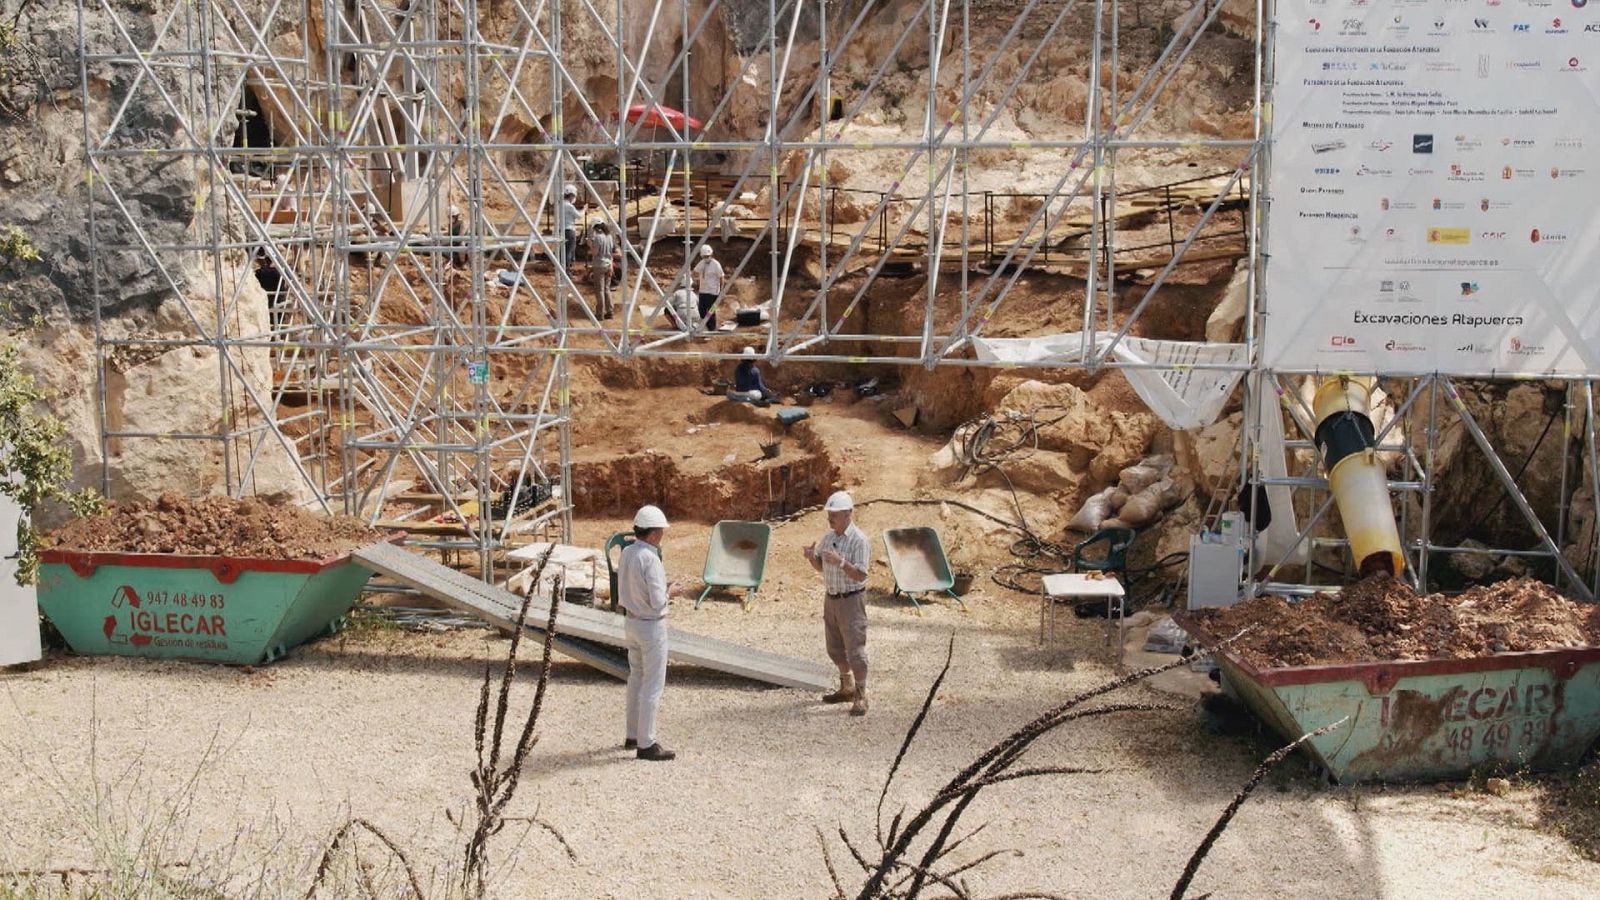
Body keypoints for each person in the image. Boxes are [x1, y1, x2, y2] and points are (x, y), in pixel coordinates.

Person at [803, 491, 871, 716]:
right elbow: (822, 567)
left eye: (834, 514)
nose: (830, 518)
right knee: (834, 647)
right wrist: (812, 557)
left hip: (851, 600)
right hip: (831, 599)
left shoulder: (859, 540)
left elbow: (861, 575)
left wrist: (841, 562)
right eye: (829, 514)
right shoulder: (829, 537)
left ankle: (861, 696)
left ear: (848, 514)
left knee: (855, 649)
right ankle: (847, 687)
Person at [617, 504, 676, 761]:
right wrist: (671, 592)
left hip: (631, 623)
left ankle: (633, 734)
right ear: (652, 533)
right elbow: (657, 600)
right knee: (652, 685)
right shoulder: (650, 558)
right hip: (652, 626)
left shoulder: (627, 553)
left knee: (636, 679)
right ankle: (647, 743)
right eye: (660, 531)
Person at [692, 244, 724, 332]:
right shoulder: (702, 263)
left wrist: (721, 290)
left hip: (713, 292)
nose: (706, 258)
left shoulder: (716, 264)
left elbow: (721, 277)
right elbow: (695, 271)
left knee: (711, 311)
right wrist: (695, 281)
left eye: (707, 256)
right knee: (701, 310)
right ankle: (704, 327)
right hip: (703, 291)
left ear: (711, 255)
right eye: (704, 256)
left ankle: (712, 329)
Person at [587, 222, 616, 318]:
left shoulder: (598, 238)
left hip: (599, 265)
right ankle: (610, 311)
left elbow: (595, 253)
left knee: (599, 290)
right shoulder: (609, 237)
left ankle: (600, 314)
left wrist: (590, 245)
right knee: (607, 289)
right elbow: (611, 253)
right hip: (608, 264)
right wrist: (611, 265)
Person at [559, 184, 582, 271]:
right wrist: (584, 210)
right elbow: (579, 216)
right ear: (571, 195)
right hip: (568, 230)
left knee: (563, 251)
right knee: (569, 251)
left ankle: (563, 268)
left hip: (561, 230)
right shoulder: (569, 206)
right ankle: (567, 270)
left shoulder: (560, 204)